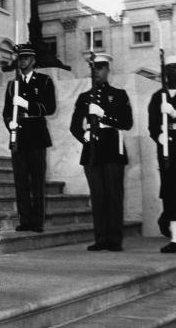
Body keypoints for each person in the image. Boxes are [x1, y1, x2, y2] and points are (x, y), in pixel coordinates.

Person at [70, 53, 133, 252]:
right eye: (93, 68)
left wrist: (103, 115)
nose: (96, 72)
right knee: (98, 197)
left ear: (107, 70)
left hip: (113, 149)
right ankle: (100, 238)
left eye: (100, 68)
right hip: (92, 151)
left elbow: (126, 123)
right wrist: (84, 136)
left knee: (114, 196)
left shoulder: (119, 94)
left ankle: (114, 240)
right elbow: (74, 126)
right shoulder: (84, 97)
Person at [2, 44, 56, 233]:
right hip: (19, 136)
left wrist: (27, 104)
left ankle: (37, 221)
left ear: (33, 60)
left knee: (37, 181)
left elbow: (50, 107)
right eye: (20, 58)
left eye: (26, 58)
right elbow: (6, 112)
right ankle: (25, 220)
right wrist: (10, 123)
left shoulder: (44, 81)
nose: (22, 61)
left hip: (36, 135)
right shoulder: (12, 85)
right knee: (21, 181)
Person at [148, 54, 176, 253]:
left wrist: (174, 113)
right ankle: (175, 238)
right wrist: (158, 135)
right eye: (168, 70)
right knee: (170, 193)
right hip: (166, 151)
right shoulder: (158, 96)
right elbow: (152, 125)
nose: (171, 74)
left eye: (174, 69)